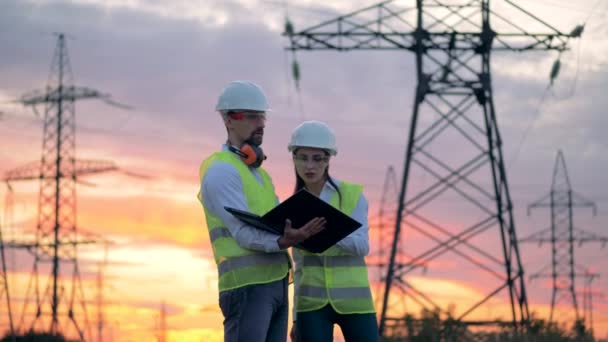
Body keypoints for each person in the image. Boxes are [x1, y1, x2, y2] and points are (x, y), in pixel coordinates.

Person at [197, 81, 326, 342]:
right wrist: (282, 241)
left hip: (276, 282)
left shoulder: (260, 175)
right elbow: (242, 233)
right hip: (246, 287)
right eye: (253, 116)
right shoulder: (221, 170)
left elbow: (278, 222)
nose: (262, 123)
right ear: (229, 120)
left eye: (263, 116)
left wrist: (304, 231)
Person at [287, 120, 379, 342]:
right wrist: (296, 318)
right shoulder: (292, 207)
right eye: (303, 158)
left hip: (355, 304)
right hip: (311, 306)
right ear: (294, 158)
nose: (310, 166)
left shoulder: (351, 195)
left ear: (328, 159)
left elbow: (362, 246)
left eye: (317, 159)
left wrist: (328, 232)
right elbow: (299, 268)